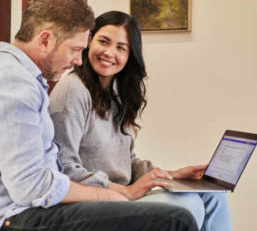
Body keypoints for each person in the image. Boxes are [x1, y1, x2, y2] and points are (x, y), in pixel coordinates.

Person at [0, 1, 199, 231]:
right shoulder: (12, 82)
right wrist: (109, 194)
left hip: (27, 210)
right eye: (76, 49)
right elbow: (30, 185)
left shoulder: (21, 79)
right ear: (45, 40)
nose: (79, 60)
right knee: (176, 220)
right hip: (7, 219)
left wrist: (162, 177)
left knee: (189, 204)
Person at [49, 11, 232, 231]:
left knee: (212, 195)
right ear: (89, 41)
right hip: (95, 201)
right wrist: (124, 190)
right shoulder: (73, 91)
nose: (109, 53)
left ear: (129, 55)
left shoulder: (116, 92)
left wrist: (171, 175)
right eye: (104, 41)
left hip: (123, 193)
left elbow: (126, 160)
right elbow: (63, 168)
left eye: (121, 48)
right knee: (188, 204)